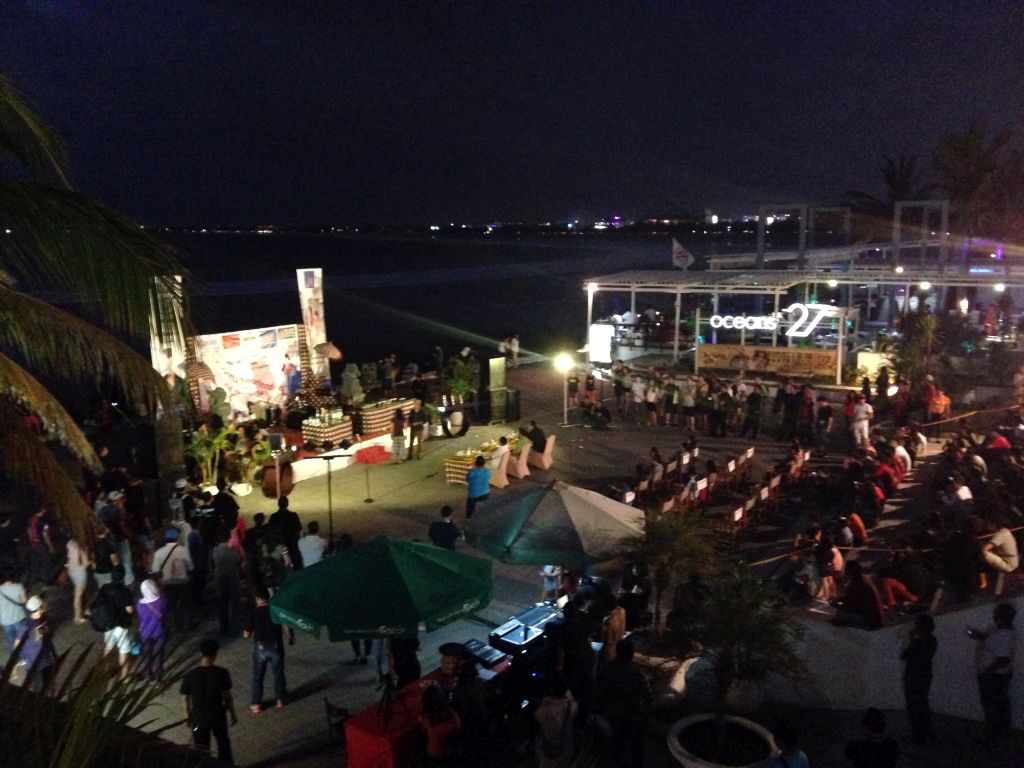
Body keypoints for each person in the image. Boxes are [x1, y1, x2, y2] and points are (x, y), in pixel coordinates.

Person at [595, 639, 652, 768]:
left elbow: (599, 692)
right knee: (636, 748)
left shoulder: (607, 670)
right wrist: (646, 713)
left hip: (613, 715)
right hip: (633, 715)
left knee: (617, 747)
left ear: (617, 652)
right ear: (631, 654)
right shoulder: (638, 673)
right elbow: (647, 695)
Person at [181, 638, 237, 765]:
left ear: (200, 654)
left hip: (199, 717)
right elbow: (228, 696)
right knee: (223, 745)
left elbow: (184, 696)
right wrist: (233, 714)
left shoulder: (191, 675)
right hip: (218, 715)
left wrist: (186, 714)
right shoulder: (222, 673)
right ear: (215, 654)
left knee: (201, 749)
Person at [968, 602, 1017, 746]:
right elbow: (989, 639)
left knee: (992, 706)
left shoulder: (1005, 635)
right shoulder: (997, 628)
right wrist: (979, 636)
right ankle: (999, 734)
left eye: (996, 614)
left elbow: (1003, 660)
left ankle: (992, 737)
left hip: (995, 676)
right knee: (998, 704)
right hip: (995, 675)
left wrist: (986, 671)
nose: (993, 616)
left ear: (1001, 617)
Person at [244, 587, 287, 713]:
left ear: (257, 599)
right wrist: (291, 637)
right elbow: (285, 624)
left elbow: (246, 634)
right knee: (278, 674)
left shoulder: (254, 613)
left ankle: (256, 704)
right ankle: (280, 699)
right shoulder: (275, 610)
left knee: (258, 676)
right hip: (276, 645)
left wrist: (246, 633)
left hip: (260, 647)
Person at [900, 613, 937, 744]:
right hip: (925, 674)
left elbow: (905, 655)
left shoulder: (919, 641)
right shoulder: (932, 640)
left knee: (914, 705)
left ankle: (918, 735)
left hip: (914, 675)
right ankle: (927, 731)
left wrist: (912, 640)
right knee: (922, 704)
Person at [152, 527, 194, 631]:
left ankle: (175, 625)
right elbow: (190, 566)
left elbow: (155, 569)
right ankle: (187, 623)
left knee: (171, 604)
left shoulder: (159, 553)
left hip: (167, 583)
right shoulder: (183, 550)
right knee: (185, 603)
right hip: (182, 581)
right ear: (177, 538)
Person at [96, 564, 135, 673]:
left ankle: (105, 670)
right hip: (120, 624)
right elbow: (130, 610)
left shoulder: (104, 588)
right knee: (123, 650)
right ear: (123, 577)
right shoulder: (124, 591)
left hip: (108, 622)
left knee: (108, 647)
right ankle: (124, 676)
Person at [534, 672, 578, 767]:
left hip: (548, 752)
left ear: (550, 690)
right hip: (566, 748)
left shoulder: (543, 711)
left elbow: (539, 728)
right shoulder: (573, 706)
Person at [13, 596, 55, 692]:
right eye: (42, 605)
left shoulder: (43, 618)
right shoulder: (26, 626)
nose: (45, 605)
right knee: (37, 684)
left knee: (47, 679)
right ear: (39, 608)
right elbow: (17, 643)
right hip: (33, 661)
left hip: (44, 656)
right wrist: (23, 659)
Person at [832, 560, 884, 630]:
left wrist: (836, 605)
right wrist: (839, 599)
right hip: (872, 617)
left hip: (867, 620)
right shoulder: (860, 581)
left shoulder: (858, 584)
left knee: (839, 614)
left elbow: (853, 605)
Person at [418, 684, 462, 766]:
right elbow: (458, 728)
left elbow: (420, 719)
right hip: (453, 751)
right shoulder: (452, 714)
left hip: (435, 754)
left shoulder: (426, 718)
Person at [212, 529, 242, 637]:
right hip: (232, 579)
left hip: (220, 579)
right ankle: (235, 627)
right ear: (229, 538)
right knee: (235, 604)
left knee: (222, 604)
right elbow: (238, 562)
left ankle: (224, 628)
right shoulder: (233, 552)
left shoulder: (214, 551)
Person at [136, 578, 167, 681]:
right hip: (159, 631)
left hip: (145, 632)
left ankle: (148, 674)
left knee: (147, 654)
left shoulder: (140, 604)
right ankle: (158, 675)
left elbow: (141, 617)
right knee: (158, 654)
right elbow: (165, 612)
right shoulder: (162, 600)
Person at [269, 495, 303, 570]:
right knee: (297, 565)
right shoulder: (293, 515)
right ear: (287, 504)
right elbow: (299, 530)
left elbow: (271, 532)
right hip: (292, 544)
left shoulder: (274, 517)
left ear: (278, 504)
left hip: (279, 545)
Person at [65, 535, 91, 624]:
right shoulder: (82, 546)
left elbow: (68, 557)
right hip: (79, 572)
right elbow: (86, 563)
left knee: (82, 592)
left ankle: (85, 609)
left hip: (71, 570)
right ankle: (77, 617)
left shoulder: (70, 543)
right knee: (78, 595)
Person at [0, 569, 27, 652]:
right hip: (19, 617)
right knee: (23, 638)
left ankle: (15, 659)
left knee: (11, 641)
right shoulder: (18, 586)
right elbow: (24, 601)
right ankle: (27, 654)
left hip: (5, 621)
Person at [465, 455, 491, 521]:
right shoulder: (488, 471)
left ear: (475, 463)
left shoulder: (472, 472)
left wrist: (470, 469)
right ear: (484, 463)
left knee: (470, 508)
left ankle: (468, 519)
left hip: (473, 495)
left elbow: (467, 479)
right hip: (486, 493)